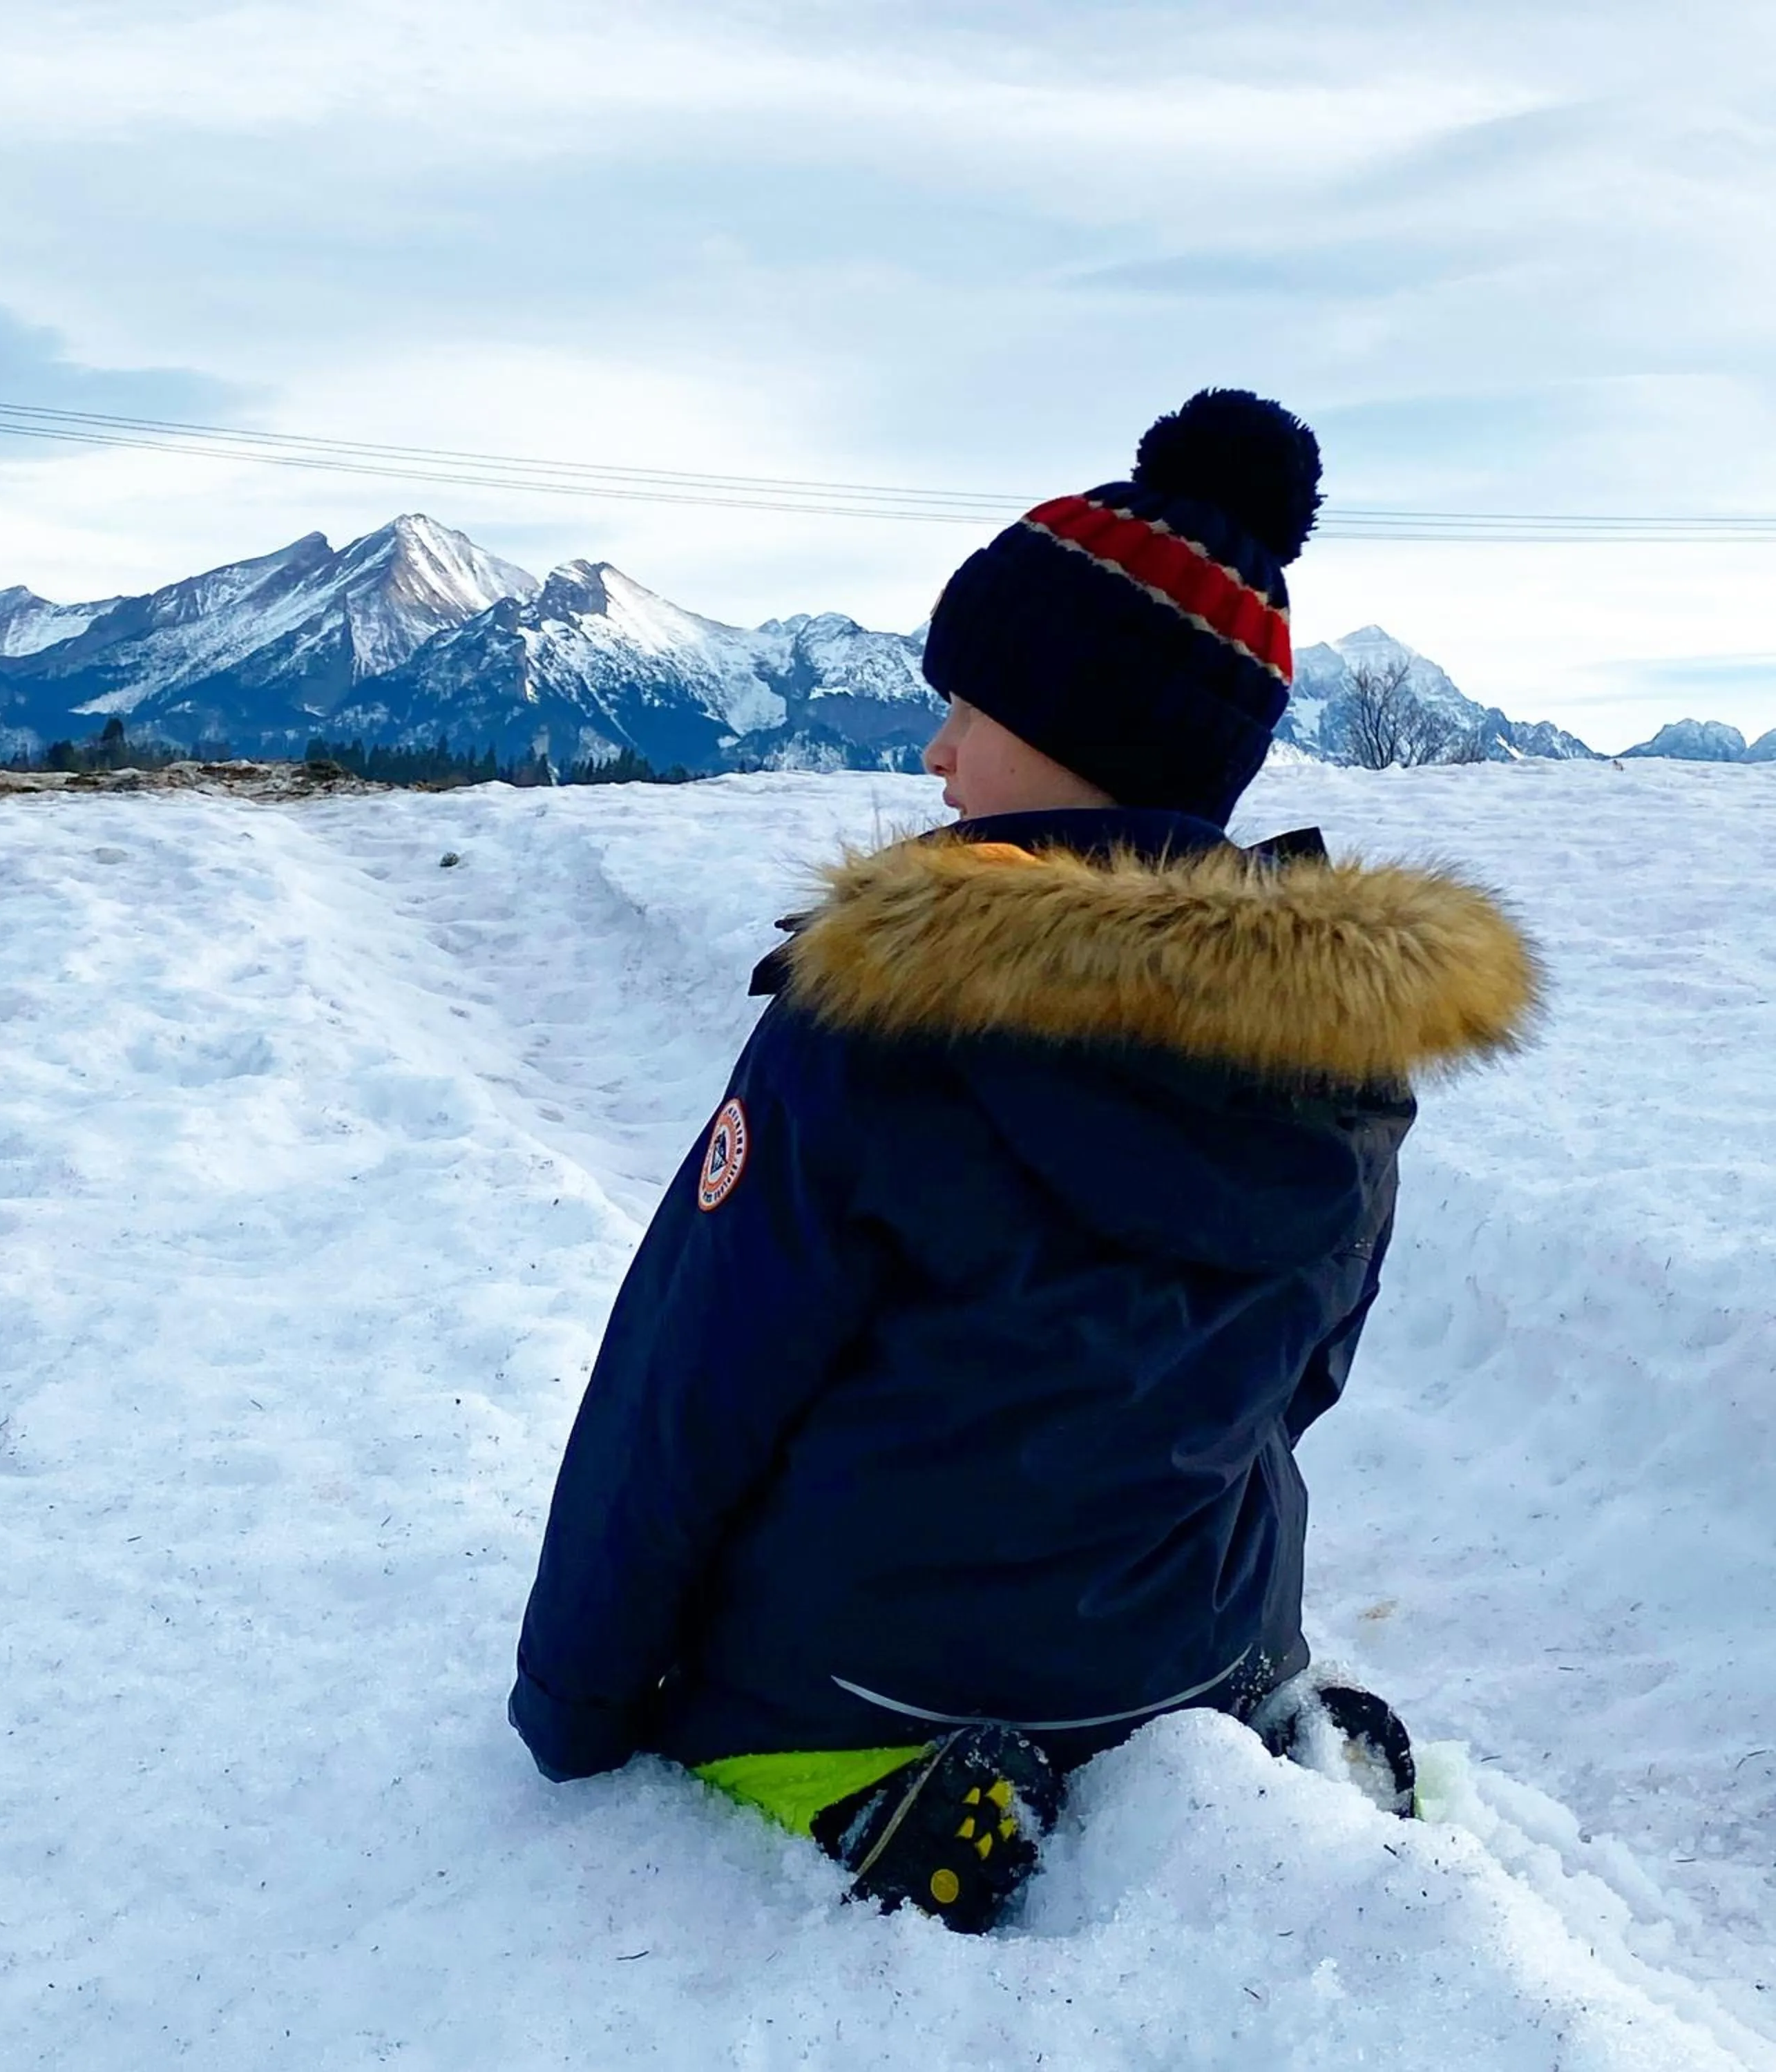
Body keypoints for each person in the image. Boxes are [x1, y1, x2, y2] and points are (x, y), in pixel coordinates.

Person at [508, 389, 1538, 1932]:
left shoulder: (880, 1019)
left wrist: (572, 1701)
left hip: (879, 1669)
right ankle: (1268, 1733)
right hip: (1207, 1639)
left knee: (737, 1708)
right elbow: (1298, 1376)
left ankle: (884, 1794)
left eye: (969, 712)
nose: (934, 755)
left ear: (1071, 736)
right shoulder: (1342, 1051)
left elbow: (688, 1390)